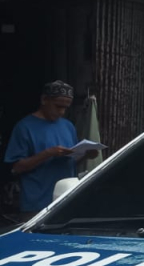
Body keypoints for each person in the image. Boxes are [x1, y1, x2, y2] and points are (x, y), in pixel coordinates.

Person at [3, 81, 92, 217]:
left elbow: (70, 163)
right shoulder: (24, 127)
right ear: (44, 100)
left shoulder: (68, 126)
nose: (61, 112)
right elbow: (17, 167)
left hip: (65, 199)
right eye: (58, 106)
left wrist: (85, 155)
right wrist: (48, 153)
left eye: (65, 108)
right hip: (36, 203)